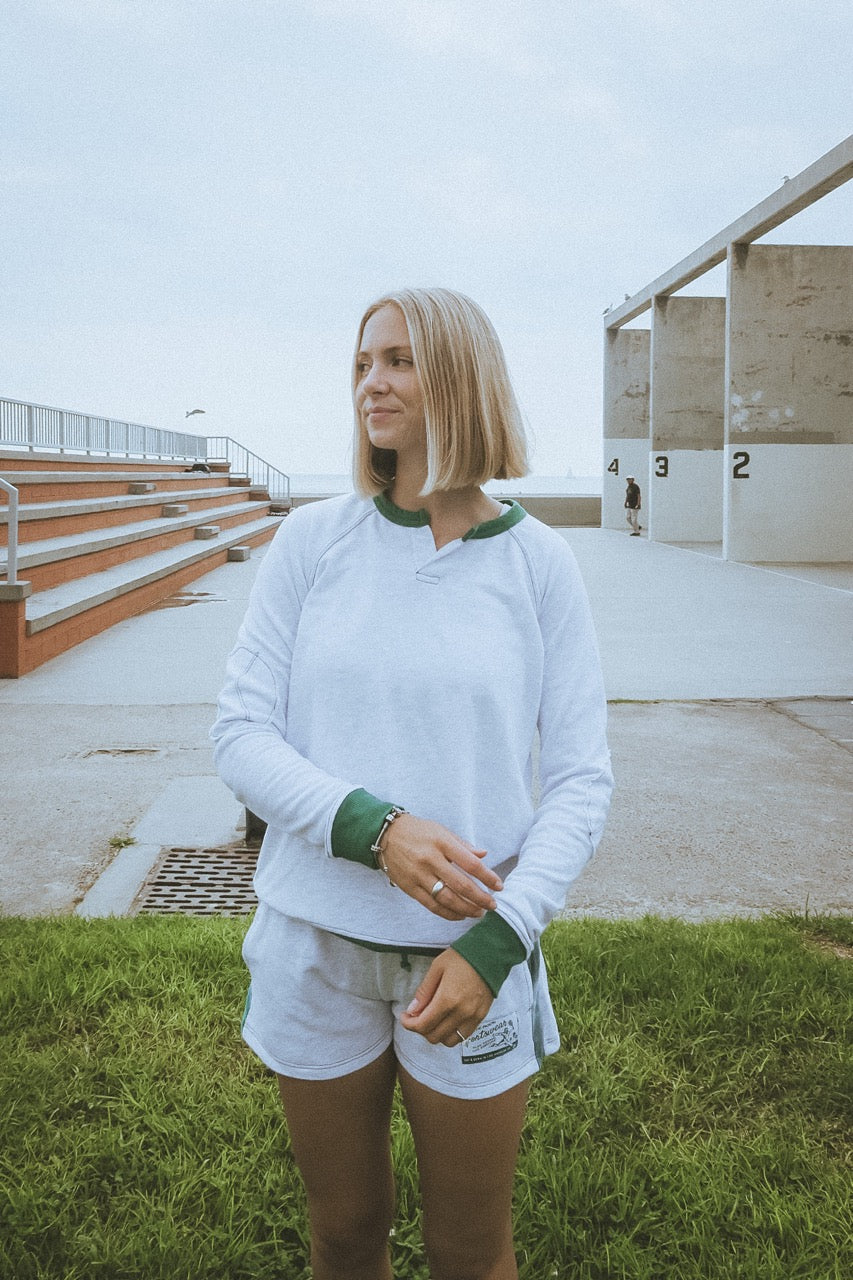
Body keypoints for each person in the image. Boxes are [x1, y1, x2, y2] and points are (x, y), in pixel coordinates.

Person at [211, 287, 613, 1280]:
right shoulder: (310, 545)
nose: (370, 384)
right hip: (314, 949)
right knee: (344, 1233)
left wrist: (498, 938)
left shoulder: (537, 564)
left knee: (470, 1251)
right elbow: (240, 733)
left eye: (396, 359)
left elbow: (579, 779)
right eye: (361, 364)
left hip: (470, 962)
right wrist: (372, 827)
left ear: (459, 375)